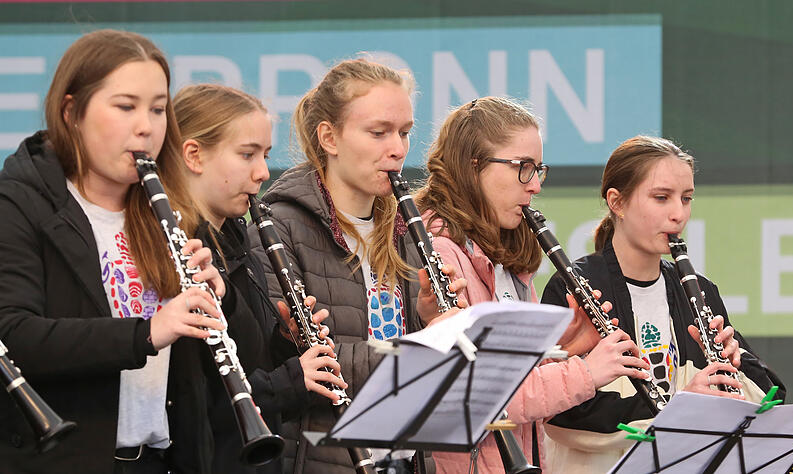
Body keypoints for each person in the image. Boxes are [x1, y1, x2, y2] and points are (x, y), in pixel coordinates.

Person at [0, 29, 230, 473]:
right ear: (72, 112)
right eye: (125, 106)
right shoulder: (20, 202)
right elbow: (14, 336)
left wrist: (224, 297)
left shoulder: (171, 208)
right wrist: (145, 333)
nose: (147, 126)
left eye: (159, 109)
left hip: (162, 459)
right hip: (66, 458)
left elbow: (225, 364)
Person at [247, 58, 466, 474]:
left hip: (405, 455)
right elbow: (302, 364)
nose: (398, 148)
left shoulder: (403, 227)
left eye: (404, 132)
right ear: (329, 137)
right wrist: (421, 350)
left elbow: (400, 345)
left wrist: (429, 320)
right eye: (378, 132)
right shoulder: (279, 226)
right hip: (323, 458)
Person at [415, 96, 652, 473]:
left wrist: (565, 347)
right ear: (473, 166)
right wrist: (587, 372)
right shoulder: (441, 254)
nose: (536, 185)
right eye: (523, 168)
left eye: (539, 168)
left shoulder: (507, 259)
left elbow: (520, 379)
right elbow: (481, 393)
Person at [540, 135, 785, 472]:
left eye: (686, 199)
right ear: (617, 202)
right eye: (661, 198)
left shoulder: (700, 290)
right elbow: (560, 411)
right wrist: (679, 410)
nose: (678, 214)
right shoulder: (573, 287)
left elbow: (772, 397)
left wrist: (737, 364)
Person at [173, 83, 348, 473]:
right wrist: (292, 381)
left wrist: (286, 343)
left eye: (265, 155)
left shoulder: (240, 239)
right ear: (194, 155)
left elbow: (248, 358)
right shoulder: (178, 249)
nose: (263, 172)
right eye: (247, 154)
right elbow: (202, 398)